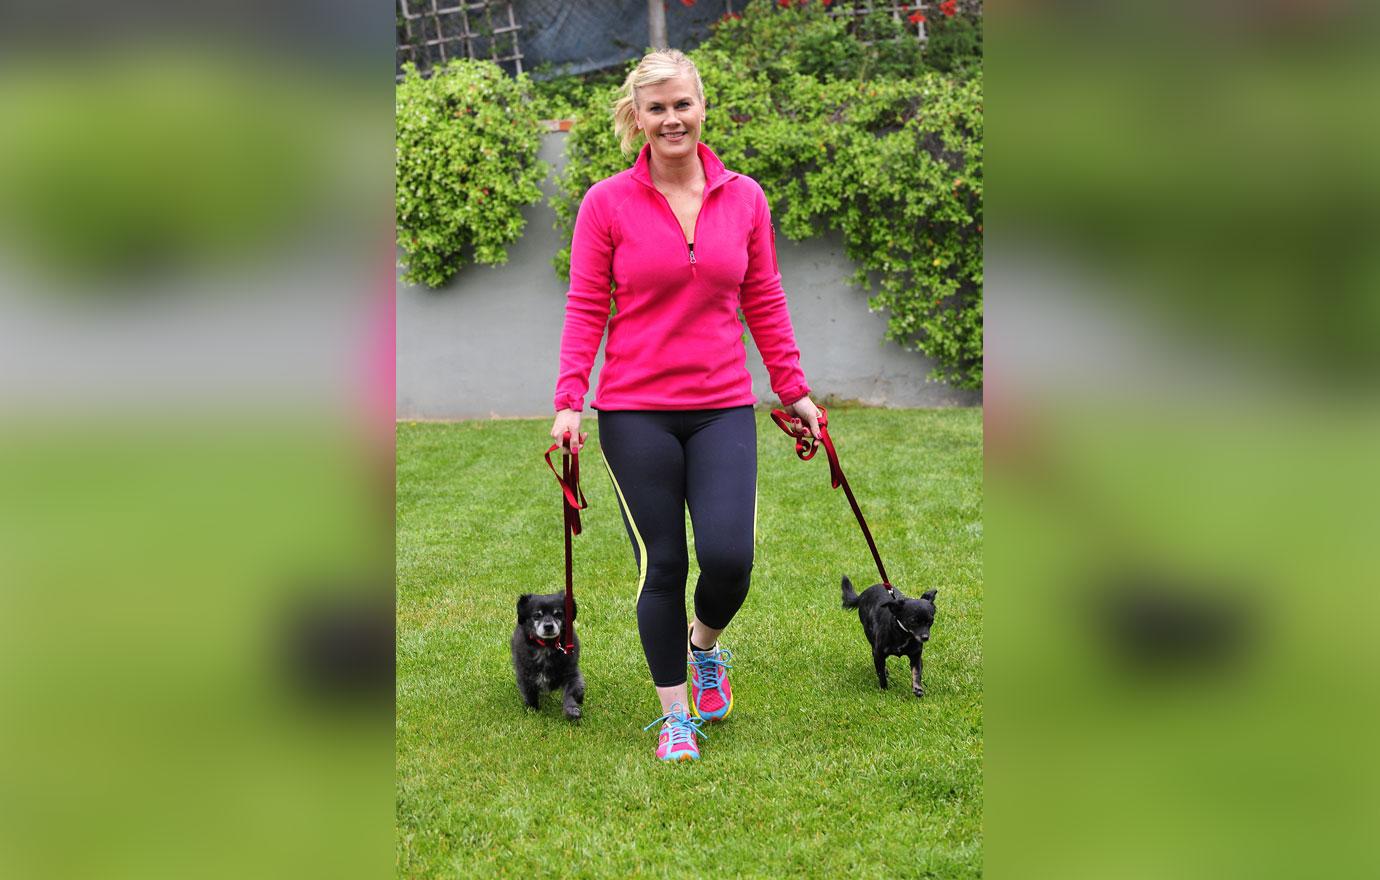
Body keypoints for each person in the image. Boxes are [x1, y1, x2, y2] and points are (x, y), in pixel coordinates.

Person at [550, 49, 821, 763]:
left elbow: (763, 296)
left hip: (722, 405)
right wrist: (569, 402)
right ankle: (676, 717)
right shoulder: (606, 203)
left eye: (683, 105)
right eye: (657, 108)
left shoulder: (745, 197)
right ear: (636, 118)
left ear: (703, 108)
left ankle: (705, 646)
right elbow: (585, 307)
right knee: (663, 566)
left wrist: (792, 388)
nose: (672, 119)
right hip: (635, 411)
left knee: (731, 558)